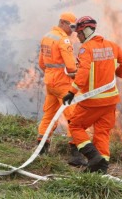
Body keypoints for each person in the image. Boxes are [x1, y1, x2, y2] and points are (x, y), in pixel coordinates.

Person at [63, 16, 122, 174]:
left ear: (85, 31)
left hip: (91, 102)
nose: (78, 38)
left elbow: (83, 73)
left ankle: (92, 155)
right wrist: (116, 73)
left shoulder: (86, 49)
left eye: (79, 34)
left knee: (75, 126)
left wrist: (71, 92)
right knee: (102, 133)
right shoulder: (112, 46)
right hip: (110, 101)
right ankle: (101, 169)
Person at [37, 12, 86, 167]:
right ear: (63, 23)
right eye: (71, 26)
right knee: (74, 118)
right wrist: (80, 71)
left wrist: (52, 73)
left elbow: (41, 64)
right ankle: (76, 155)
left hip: (50, 83)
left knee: (49, 115)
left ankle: (41, 149)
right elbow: (71, 66)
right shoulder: (64, 40)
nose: (73, 30)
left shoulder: (46, 36)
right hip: (63, 85)